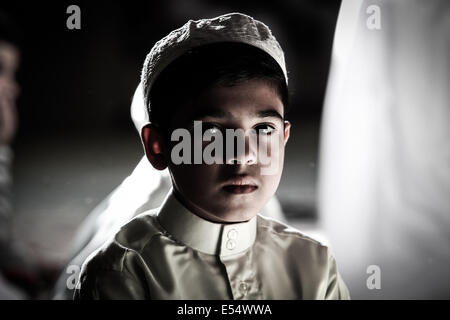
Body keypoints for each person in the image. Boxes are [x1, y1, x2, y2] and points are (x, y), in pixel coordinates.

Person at [74, 12, 349, 300]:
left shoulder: (313, 265)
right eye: (212, 133)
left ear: (283, 138)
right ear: (158, 147)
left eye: (263, 129)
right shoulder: (123, 274)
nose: (242, 158)